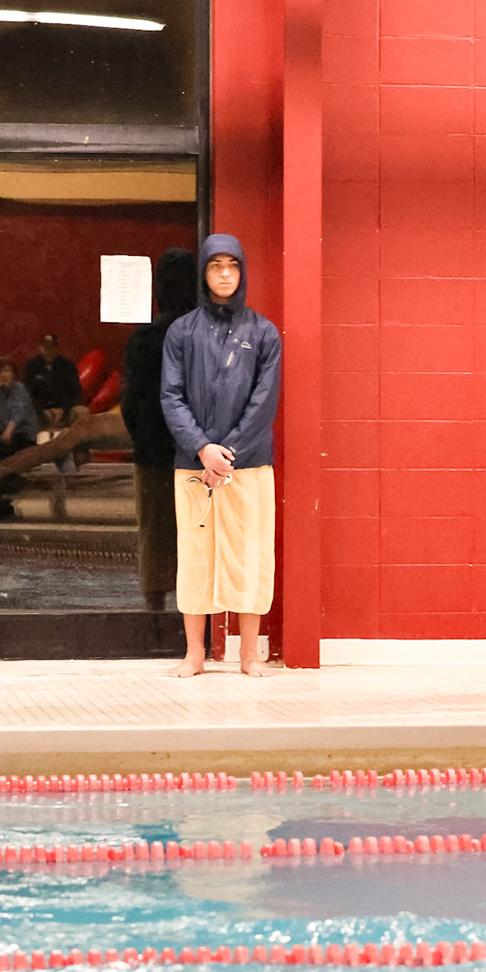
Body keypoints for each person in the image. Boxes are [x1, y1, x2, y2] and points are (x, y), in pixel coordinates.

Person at [161, 234, 281, 677]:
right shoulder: (182, 332)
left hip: (249, 464)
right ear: (204, 274)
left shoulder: (264, 332)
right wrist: (202, 448)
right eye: (216, 266)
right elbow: (171, 396)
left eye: (232, 265)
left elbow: (265, 402)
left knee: (250, 555)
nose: (225, 274)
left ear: (242, 272)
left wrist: (226, 454)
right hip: (193, 465)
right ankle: (194, 653)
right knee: (195, 556)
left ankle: (249, 653)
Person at [119, 247, 195, 612]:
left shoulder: (144, 338)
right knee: (196, 533)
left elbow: (130, 400)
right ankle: (196, 613)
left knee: (154, 532)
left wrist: (143, 439)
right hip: (196, 451)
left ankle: (154, 609)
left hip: (152, 449)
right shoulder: (203, 335)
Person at [24, 333, 85, 430]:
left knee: (82, 412)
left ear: (56, 348)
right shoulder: (31, 366)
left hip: (65, 413)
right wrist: (42, 411)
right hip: (41, 414)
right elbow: (27, 394)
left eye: (51, 347)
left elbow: (76, 393)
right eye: (45, 347)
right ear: (40, 348)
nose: (48, 351)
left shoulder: (68, 366)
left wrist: (63, 410)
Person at [0, 358, 37, 462]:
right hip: (5, 431)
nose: (4, 375)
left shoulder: (19, 389)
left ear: (13, 373)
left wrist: (8, 430)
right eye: (0, 372)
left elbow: (19, 411)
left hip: (23, 434)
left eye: (7, 371)